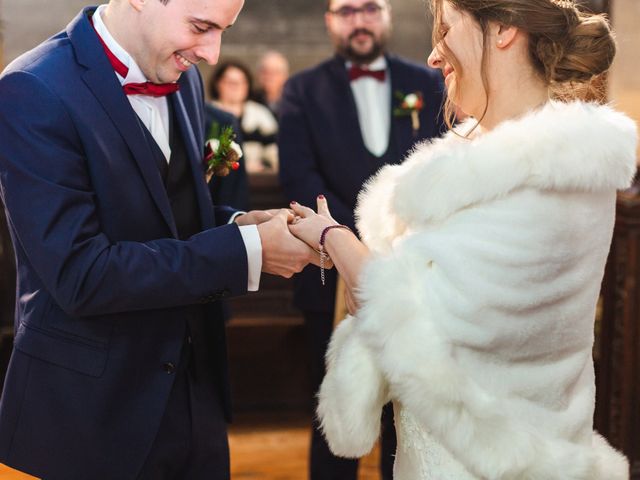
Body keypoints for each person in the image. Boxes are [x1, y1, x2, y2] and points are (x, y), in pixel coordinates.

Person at [287, 0, 638, 478]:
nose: (434, 56)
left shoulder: (543, 179)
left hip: (484, 459)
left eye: (446, 28)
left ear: (502, 31)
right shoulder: (513, 162)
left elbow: (417, 322)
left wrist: (332, 237)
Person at [0, 1, 322, 479]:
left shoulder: (183, 76)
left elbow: (172, 219)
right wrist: (248, 252)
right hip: (92, 418)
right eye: (201, 27)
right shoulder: (32, 88)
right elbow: (81, 275)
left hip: (195, 399)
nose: (213, 53)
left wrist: (240, 225)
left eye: (224, 31)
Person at [278, 0, 444, 478]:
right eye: (346, 10)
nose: (360, 20)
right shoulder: (301, 91)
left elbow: (437, 164)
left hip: (415, 272)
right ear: (330, 21)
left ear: (387, 16)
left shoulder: (429, 84)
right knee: (334, 404)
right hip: (326, 272)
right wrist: (352, 244)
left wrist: (394, 241)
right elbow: (299, 177)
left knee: (410, 405)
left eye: (370, 7)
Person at [209, 60, 279, 173]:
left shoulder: (260, 113)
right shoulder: (208, 113)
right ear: (217, 84)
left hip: (256, 181)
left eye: (242, 82)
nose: (236, 87)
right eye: (230, 82)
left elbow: (274, 150)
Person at [255, 50, 290, 117]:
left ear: (285, 76)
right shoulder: (249, 100)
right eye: (265, 72)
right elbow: (229, 127)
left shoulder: (294, 103)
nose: (269, 77)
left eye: (275, 72)